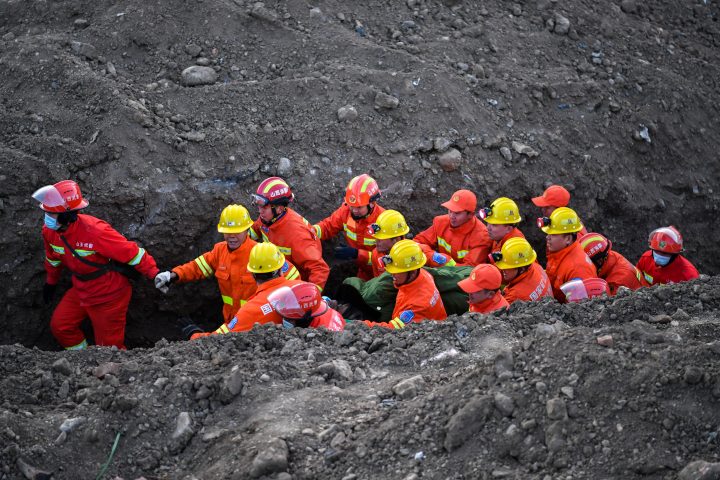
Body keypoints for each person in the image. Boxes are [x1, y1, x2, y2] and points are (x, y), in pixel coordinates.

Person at [32, 180, 160, 350]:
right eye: (47, 212)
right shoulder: (49, 232)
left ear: (67, 215)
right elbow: (52, 259)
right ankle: (84, 360)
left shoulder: (95, 231)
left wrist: (155, 274)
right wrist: (51, 282)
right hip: (81, 288)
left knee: (109, 349)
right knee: (61, 327)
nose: (47, 218)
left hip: (109, 295)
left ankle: (112, 372)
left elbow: (133, 253)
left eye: (52, 214)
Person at [153, 204, 300, 322]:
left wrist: (290, 312)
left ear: (247, 229)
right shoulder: (219, 251)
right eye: (227, 231)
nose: (231, 236)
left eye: (237, 231)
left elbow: (293, 278)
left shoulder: (261, 253)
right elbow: (198, 266)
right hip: (230, 322)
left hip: (256, 325)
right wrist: (173, 275)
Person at [185, 243, 304, 339]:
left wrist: (194, 334)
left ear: (253, 275)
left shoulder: (251, 310)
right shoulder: (303, 289)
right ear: (281, 271)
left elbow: (221, 338)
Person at [248, 176, 330, 290]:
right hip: (276, 275)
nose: (259, 210)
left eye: (264, 206)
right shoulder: (268, 218)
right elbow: (255, 230)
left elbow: (320, 269)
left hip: (295, 286)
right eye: (258, 205)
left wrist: (310, 297)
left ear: (279, 209)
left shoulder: (297, 235)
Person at [313, 174, 385, 280]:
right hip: (362, 271)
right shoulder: (346, 212)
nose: (355, 211)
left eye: (359, 207)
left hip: (382, 274)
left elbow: (388, 259)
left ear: (372, 203)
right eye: (352, 206)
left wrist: (357, 254)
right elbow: (327, 226)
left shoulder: (384, 221)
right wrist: (308, 231)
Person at [364, 240, 446, 329]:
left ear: (413, 272)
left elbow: (393, 330)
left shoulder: (417, 306)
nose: (392, 275)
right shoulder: (422, 274)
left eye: (397, 272)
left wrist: (361, 325)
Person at [414, 189, 492, 266]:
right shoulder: (440, 222)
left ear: (470, 215)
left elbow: (469, 270)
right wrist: (434, 257)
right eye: (450, 211)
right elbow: (417, 243)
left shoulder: (481, 237)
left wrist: (446, 262)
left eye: (457, 213)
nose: (451, 216)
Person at [367, 209, 455, 278]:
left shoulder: (419, 251)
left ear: (396, 239)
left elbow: (450, 264)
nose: (376, 241)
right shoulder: (376, 254)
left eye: (381, 239)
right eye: (376, 237)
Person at [538, 207, 597, 302]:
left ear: (568, 239)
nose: (547, 238)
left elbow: (576, 309)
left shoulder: (578, 269)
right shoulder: (559, 252)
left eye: (553, 235)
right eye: (548, 233)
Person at [490, 237, 553, 304]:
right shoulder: (535, 266)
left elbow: (496, 312)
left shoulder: (515, 296)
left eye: (507, 267)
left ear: (522, 269)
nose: (502, 269)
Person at [580, 232, 646, 295]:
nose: (585, 266)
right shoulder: (610, 256)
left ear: (599, 261)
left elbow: (608, 303)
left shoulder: (618, 281)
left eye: (587, 262)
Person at [268, 282, 345, 331]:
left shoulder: (318, 337)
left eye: (289, 318)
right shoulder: (328, 311)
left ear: (305, 319)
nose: (284, 320)